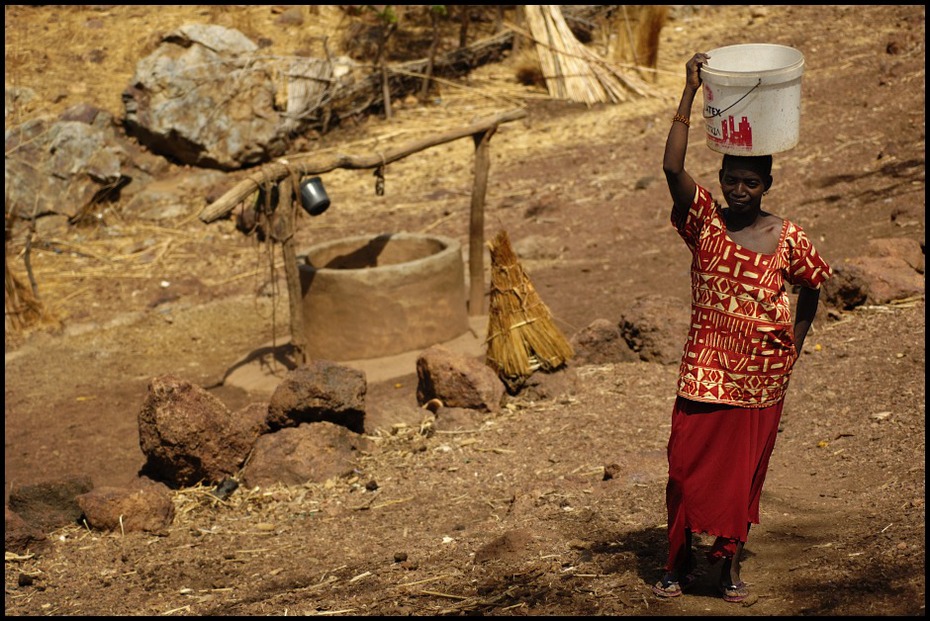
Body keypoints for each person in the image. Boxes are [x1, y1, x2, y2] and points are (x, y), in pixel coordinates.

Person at [653, 52, 833, 603]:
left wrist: (794, 348)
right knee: (684, 468)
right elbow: (670, 169)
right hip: (705, 371)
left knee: (741, 478)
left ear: (767, 183)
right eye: (732, 180)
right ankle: (678, 563)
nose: (738, 190)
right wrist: (687, 93)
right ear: (722, 179)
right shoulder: (703, 221)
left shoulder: (787, 237)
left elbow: (814, 285)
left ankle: (728, 570)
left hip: (761, 377)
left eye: (750, 183)